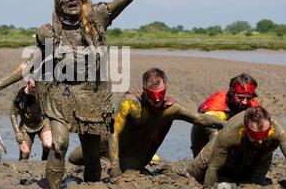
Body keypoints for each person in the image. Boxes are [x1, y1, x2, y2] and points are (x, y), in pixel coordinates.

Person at [0, 0, 143, 189]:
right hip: (60, 94)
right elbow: (32, 64)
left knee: (91, 156)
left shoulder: (97, 17)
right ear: (58, 3)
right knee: (59, 144)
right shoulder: (50, 31)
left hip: (92, 95)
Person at [69, 68, 224, 176]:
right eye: (152, 95)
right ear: (144, 89)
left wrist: (224, 124)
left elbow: (199, 118)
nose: (157, 101)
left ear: (166, 89)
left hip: (134, 153)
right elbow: (113, 133)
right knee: (74, 159)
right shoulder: (130, 103)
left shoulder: (170, 108)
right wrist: (114, 166)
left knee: (131, 170)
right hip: (107, 142)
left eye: (161, 95)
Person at [188, 106, 286, 189]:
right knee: (193, 173)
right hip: (228, 154)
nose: (260, 140)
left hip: (260, 157)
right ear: (246, 128)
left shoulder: (279, 130)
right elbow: (214, 167)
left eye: (264, 134)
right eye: (255, 135)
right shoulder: (231, 131)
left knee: (252, 186)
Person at [191, 73, 259, 158]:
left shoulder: (253, 106)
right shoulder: (219, 100)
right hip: (205, 136)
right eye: (240, 97)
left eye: (248, 98)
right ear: (232, 93)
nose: (245, 102)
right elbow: (205, 118)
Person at [10, 76, 52, 160]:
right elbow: (13, 114)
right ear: (28, 84)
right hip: (26, 125)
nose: (35, 90)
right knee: (25, 153)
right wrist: (17, 132)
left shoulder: (42, 91)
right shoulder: (20, 95)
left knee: (48, 145)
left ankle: (44, 162)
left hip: (42, 122)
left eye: (37, 87)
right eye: (33, 87)